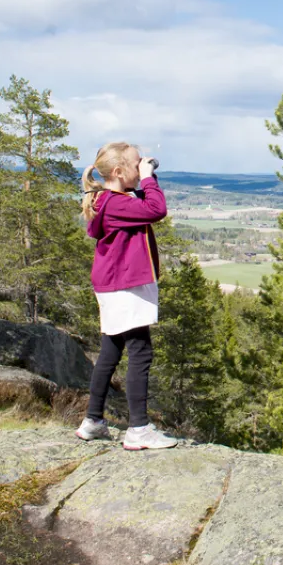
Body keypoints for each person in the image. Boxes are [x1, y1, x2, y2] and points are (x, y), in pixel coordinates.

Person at [74, 142, 179, 449]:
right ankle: (138, 429)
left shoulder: (110, 200)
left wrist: (146, 178)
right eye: (135, 164)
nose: (141, 167)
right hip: (124, 286)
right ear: (119, 172)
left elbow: (146, 207)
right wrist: (148, 178)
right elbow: (156, 210)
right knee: (140, 352)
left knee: (110, 351)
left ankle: (93, 421)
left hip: (115, 284)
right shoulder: (116, 203)